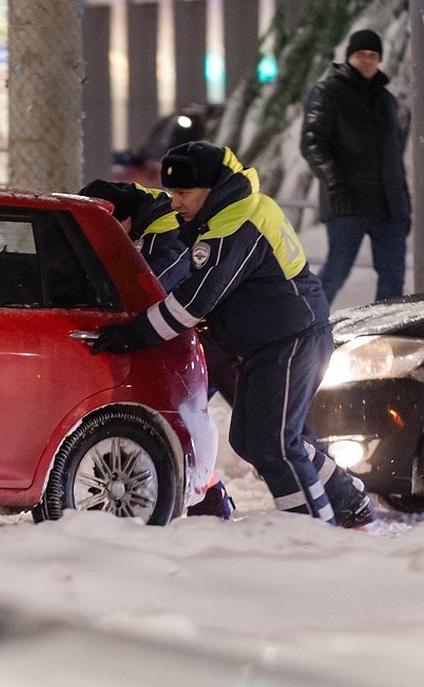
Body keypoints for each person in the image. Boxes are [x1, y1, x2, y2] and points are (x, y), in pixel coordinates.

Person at [90, 141, 372, 528]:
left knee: (275, 446)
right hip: (266, 343)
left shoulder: (236, 225)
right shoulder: (223, 216)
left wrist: (130, 335)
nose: (174, 203)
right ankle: (347, 498)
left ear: (212, 188)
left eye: (184, 193)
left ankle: (315, 530)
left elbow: (192, 303)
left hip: (290, 341)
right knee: (252, 441)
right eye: (172, 193)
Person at [80, 178, 233, 519]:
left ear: (123, 217)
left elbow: (149, 288)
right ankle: (209, 503)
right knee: (186, 420)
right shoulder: (151, 218)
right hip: (202, 335)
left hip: (219, 339)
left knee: (203, 422)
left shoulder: (167, 229)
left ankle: (212, 504)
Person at [300, 28, 411, 305]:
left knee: (393, 278)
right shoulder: (328, 92)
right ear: (349, 56)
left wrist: (403, 204)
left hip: (388, 206)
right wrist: (334, 182)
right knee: (336, 271)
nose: (367, 60)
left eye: (373, 55)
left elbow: (394, 156)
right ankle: (311, 327)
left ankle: (387, 336)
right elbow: (312, 143)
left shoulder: (386, 100)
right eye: (361, 54)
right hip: (347, 203)